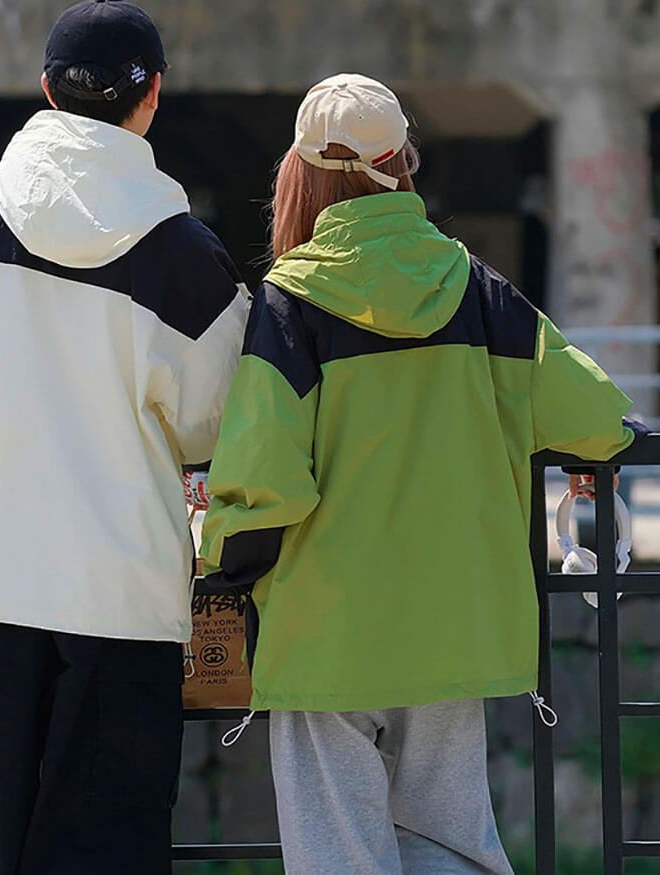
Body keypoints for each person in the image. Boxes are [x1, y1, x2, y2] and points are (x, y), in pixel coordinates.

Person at [199, 74, 646, 875]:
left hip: (324, 631)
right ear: (403, 160)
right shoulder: (476, 289)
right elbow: (590, 413)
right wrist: (612, 441)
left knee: (336, 849)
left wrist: (222, 558)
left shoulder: (289, 303)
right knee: (450, 844)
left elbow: (263, 485)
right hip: (454, 620)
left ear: (299, 173)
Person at [0, 2, 249, 872]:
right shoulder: (183, 252)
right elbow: (219, 418)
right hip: (119, 595)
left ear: (46, 90)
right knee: (109, 843)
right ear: (153, 97)